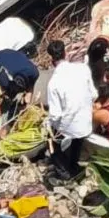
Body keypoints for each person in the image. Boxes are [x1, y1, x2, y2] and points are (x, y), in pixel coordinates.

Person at [44, 39, 95, 183]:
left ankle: (64, 172)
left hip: (71, 127)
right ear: (65, 53)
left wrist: (48, 123)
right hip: (86, 122)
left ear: (51, 60)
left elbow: (56, 114)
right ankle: (74, 164)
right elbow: (93, 94)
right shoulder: (83, 69)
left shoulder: (53, 83)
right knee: (76, 136)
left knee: (49, 139)